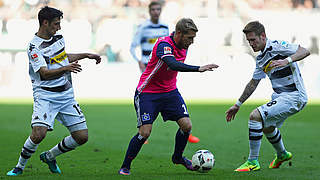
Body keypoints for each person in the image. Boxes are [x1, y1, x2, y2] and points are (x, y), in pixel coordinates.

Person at [6, 6, 101, 176]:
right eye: (56, 24)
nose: (59, 27)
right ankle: (19, 167)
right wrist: (66, 68)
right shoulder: (34, 47)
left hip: (66, 95)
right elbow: (43, 73)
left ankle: (50, 156)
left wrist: (86, 55)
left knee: (81, 137)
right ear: (45, 22)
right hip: (45, 96)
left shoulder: (58, 38)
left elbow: (62, 57)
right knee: (38, 134)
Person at [118, 18, 219, 176]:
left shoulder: (184, 45)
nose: (192, 42)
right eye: (189, 38)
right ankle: (125, 166)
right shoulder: (163, 44)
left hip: (170, 92)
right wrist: (198, 68)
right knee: (145, 132)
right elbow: (172, 64)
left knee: (187, 126)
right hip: (148, 93)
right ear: (178, 33)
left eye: (193, 38)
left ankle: (178, 157)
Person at [225, 21, 310, 172]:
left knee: (255, 116)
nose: (251, 44)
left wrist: (286, 60)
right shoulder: (260, 59)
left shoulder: (277, 46)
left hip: (294, 96)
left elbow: (304, 51)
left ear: (263, 36)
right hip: (280, 97)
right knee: (267, 126)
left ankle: (252, 161)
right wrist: (237, 104)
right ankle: (282, 154)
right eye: (248, 41)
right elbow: (253, 83)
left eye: (253, 40)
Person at [130, 0, 200, 144]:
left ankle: (185, 132)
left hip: (166, 68)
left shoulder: (165, 27)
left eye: (158, 9)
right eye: (153, 9)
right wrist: (139, 60)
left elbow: (172, 48)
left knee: (186, 124)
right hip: (150, 63)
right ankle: (143, 132)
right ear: (149, 11)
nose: (156, 12)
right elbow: (133, 45)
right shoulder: (143, 27)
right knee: (145, 127)